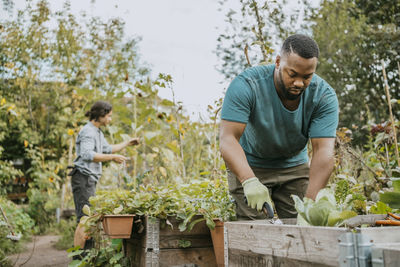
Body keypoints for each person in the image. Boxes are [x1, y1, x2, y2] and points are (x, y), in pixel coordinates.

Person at [219, 34, 338, 220]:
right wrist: (248, 181)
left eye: (307, 77)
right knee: (253, 234)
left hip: (294, 165)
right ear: (277, 62)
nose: (299, 83)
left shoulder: (323, 96)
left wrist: (310, 204)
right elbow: (228, 139)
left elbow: (323, 151)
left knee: (301, 230)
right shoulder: (247, 86)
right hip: (250, 164)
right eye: (292, 74)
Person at [69, 100, 139, 248]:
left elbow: (108, 149)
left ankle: (85, 255)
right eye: (108, 116)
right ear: (100, 115)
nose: (110, 119)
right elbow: (87, 154)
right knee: (84, 218)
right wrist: (113, 158)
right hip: (83, 177)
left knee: (88, 217)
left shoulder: (97, 132)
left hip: (88, 178)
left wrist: (127, 143)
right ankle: (80, 257)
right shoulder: (88, 131)